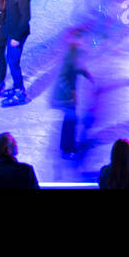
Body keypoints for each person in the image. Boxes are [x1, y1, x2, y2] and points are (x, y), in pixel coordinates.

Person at [52, 28, 95, 159]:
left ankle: (67, 145)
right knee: (70, 121)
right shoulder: (70, 54)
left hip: (68, 96)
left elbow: (78, 68)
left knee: (70, 120)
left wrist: (86, 74)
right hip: (65, 96)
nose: (84, 41)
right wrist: (71, 92)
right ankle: (67, 149)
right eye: (81, 39)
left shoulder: (75, 52)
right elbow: (62, 77)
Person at [0, 0, 31, 106]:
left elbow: (26, 18)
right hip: (11, 31)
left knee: (13, 61)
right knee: (10, 60)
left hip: (18, 34)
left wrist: (17, 37)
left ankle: (20, 92)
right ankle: (16, 86)